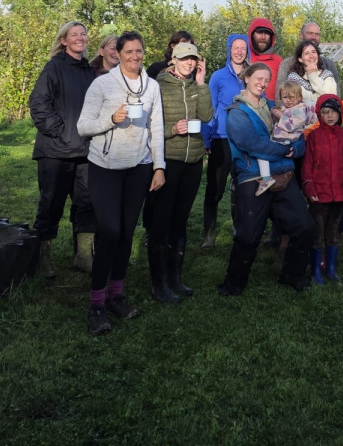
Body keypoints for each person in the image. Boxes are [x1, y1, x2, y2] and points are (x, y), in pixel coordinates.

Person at [77, 31, 166, 334]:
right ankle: (96, 304)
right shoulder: (102, 84)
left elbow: (156, 126)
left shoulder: (151, 87)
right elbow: (83, 125)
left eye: (139, 51)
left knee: (127, 232)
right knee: (110, 231)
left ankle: (116, 295)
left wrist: (159, 166)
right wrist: (111, 120)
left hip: (138, 167)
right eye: (128, 52)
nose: (135, 57)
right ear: (118, 53)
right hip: (105, 166)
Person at [216, 64, 316, 296]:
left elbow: (298, 134)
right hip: (252, 176)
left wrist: (296, 148)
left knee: (305, 225)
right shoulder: (237, 112)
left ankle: (292, 275)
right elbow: (250, 144)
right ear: (247, 78)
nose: (262, 83)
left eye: (266, 80)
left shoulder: (275, 107)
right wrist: (285, 148)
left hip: (282, 175)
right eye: (258, 78)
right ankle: (233, 284)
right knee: (249, 233)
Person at [28, 21, 98, 278]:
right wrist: (60, 132)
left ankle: (83, 256)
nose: (80, 38)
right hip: (55, 152)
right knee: (51, 204)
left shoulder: (89, 72)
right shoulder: (54, 68)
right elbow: (38, 103)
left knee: (87, 203)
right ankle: (42, 259)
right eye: (74, 34)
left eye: (83, 34)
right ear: (64, 41)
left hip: (85, 152)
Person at [147, 42, 213, 302]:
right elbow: (149, 125)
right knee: (161, 222)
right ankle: (159, 283)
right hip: (168, 160)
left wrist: (201, 83)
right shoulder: (158, 86)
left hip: (193, 162)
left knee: (180, 221)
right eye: (184, 58)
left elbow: (207, 117)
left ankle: (175, 278)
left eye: (193, 59)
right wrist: (172, 130)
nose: (189, 63)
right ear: (173, 59)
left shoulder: (195, 86)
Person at [301, 95, 343, 283]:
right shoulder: (313, 137)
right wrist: (309, 189)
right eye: (325, 112)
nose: (330, 116)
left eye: (333, 112)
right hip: (319, 194)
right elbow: (306, 165)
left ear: (339, 114)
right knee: (317, 232)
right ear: (319, 115)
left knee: (333, 230)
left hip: (339, 193)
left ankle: (330, 268)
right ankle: (315, 269)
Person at [203, 33, 250, 248]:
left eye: (243, 48)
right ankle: (209, 234)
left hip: (243, 139)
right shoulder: (218, 77)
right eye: (235, 48)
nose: (239, 52)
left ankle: (240, 228)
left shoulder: (252, 76)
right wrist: (206, 138)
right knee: (215, 187)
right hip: (221, 138)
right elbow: (209, 108)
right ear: (229, 50)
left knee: (242, 187)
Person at [258, 81, 317, 195]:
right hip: (282, 139)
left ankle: (267, 179)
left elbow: (291, 126)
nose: (288, 100)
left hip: (288, 140)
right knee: (263, 155)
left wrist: (280, 116)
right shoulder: (287, 108)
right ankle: (267, 178)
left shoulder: (300, 109)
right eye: (285, 97)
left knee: (264, 154)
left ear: (299, 97)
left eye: (292, 97)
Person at [276, 21, 340, 90]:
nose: (314, 37)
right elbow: (280, 95)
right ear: (301, 36)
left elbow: (336, 95)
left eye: (317, 34)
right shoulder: (287, 65)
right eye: (310, 33)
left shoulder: (328, 64)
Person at [283, 40, 340, 106]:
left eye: (314, 52)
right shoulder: (293, 77)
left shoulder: (327, 74)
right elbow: (300, 99)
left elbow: (331, 97)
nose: (311, 56)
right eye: (306, 53)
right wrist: (321, 96)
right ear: (300, 59)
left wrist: (312, 75)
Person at [247, 18, 283, 101]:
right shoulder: (245, 59)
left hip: (273, 111)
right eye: (259, 32)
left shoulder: (279, 61)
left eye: (267, 33)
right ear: (251, 35)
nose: (263, 37)